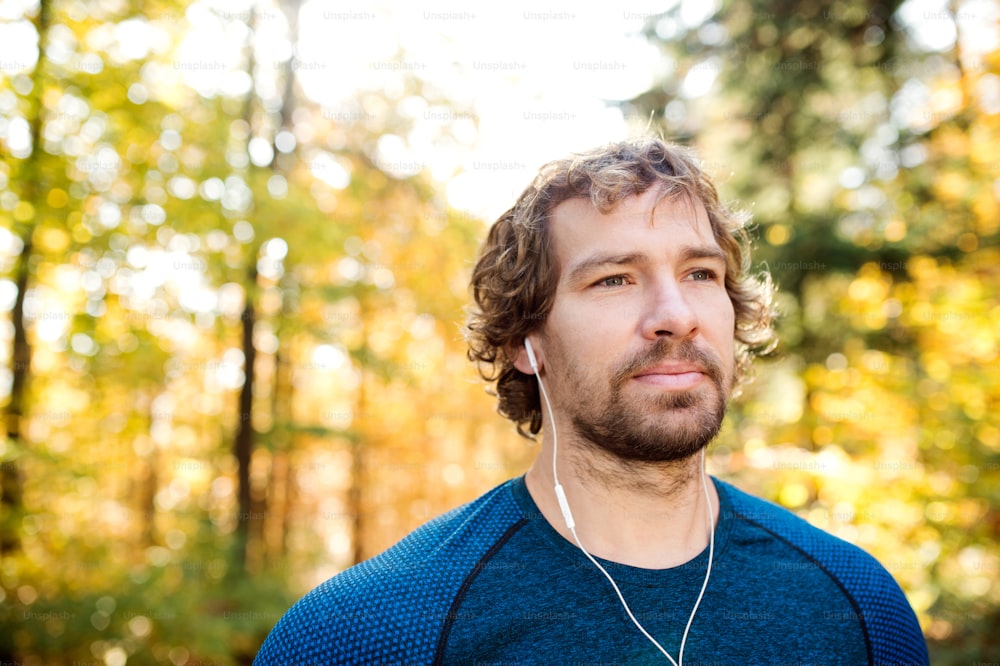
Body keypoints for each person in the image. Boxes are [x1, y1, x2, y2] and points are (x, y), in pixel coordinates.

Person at [254, 137, 929, 665]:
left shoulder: (860, 609)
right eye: (614, 280)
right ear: (526, 341)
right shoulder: (364, 635)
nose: (675, 314)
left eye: (700, 273)